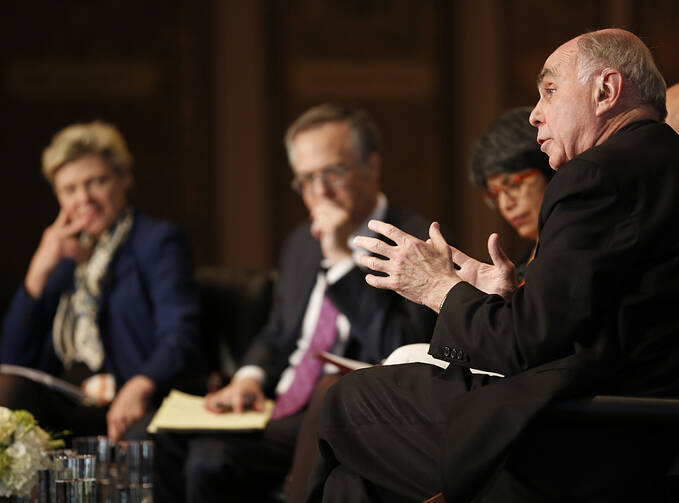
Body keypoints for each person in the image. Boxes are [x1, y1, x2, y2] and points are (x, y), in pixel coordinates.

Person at [308, 29, 679, 503]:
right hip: (629, 426)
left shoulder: (598, 174)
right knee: (355, 484)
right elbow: (582, 319)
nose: (535, 114)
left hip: (582, 442)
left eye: (549, 90)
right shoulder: (658, 165)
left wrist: (438, 289)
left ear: (605, 90)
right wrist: (506, 296)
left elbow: (525, 344)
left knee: (348, 401)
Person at [154, 103, 438, 502]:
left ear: (371, 167)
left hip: (345, 414)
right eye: (307, 179)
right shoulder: (301, 243)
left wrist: (341, 257)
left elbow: (402, 347)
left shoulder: (414, 239)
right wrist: (248, 378)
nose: (319, 192)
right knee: (161, 442)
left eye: (333, 173)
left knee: (208, 461)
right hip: (274, 406)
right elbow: (279, 333)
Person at [0, 121, 200, 442]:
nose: (84, 198)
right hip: (66, 401)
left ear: (124, 178)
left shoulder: (156, 242)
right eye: (69, 189)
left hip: (126, 399)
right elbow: (12, 362)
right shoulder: (63, 259)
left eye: (97, 182)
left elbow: (181, 334)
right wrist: (38, 271)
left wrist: (141, 382)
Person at [470, 106, 554, 276]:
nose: (505, 205)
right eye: (495, 194)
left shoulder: (572, 249)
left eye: (514, 185)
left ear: (550, 168)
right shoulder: (523, 262)